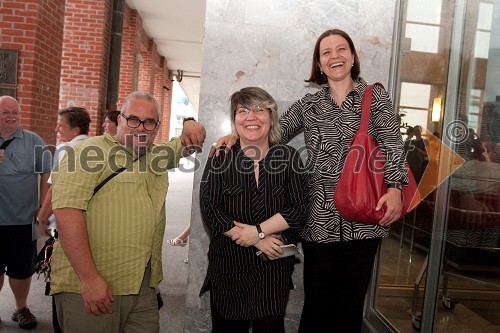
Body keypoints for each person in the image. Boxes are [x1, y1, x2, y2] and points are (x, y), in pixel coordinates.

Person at [212, 29, 408, 332]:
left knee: (349, 307)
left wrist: (395, 189)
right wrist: (236, 134)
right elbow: (273, 132)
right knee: (316, 305)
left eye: (341, 49)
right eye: (326, 52)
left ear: (353, 57)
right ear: (319, 63)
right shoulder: (309, 105)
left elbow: (393, 144)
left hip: (365, 219)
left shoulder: (376, 97)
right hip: (319, 221)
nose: (335, 57)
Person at [49, 91, 206, 332]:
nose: (141, 128)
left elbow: (189, 142)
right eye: (133, 119)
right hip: (94, 286)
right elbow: (66, 214)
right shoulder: (88, 153)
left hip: (142, 286)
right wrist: (89, 279)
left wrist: (189, 122)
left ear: (157, 126)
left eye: (149, 122)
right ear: (119, 120)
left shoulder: (154, 155)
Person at [200, 87, 307, 333]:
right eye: (243, 110)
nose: (251, 116)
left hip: (273, 266)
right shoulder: (221, 156)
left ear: (271, 118)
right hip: (229, 266)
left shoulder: (289, 157)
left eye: (260, 110)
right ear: (234, 118)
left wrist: (257, 232)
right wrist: (257, 239)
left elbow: (299, 208)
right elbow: (210, 207)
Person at [36, 106, 91, 333]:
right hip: (86, 223)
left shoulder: (66, 149)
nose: (57, 129)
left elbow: (55, 188)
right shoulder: (93, 146)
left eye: (61, 125)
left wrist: (41, 217)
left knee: (59, 281)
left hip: (63, 225)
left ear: (75, 129)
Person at [0, 95, 52, 330]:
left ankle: (21, 308)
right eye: (5, 112)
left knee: (22, 270)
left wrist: (42, 206)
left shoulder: (34, 141)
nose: (11, 116)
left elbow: (47, 174)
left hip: (22, 219)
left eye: (15, 112)